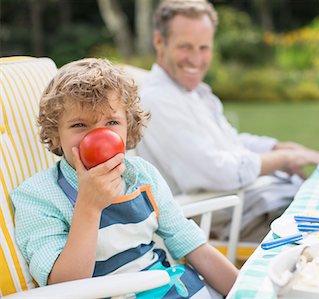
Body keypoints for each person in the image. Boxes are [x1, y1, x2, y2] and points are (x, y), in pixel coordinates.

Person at [11, 58, 238, 298]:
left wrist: (249, 291)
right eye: (79, 125)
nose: (98, 136)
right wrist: (88, 206)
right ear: (55, 135)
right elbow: (63, 287)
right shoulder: (37, 196)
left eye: (112, 122)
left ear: (128, 127)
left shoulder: (142, 175)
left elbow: (193, 247)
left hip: (167, 287)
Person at [137, 0, 319, 241]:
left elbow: (228, 141)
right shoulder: (158, 100)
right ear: (159, 42)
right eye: (185, 47)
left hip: (256, 204)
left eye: (204, 47)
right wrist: (285, 159)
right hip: (228, 223)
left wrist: (276, 147)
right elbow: (218, 171)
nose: (196, 59)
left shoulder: (196, 93)